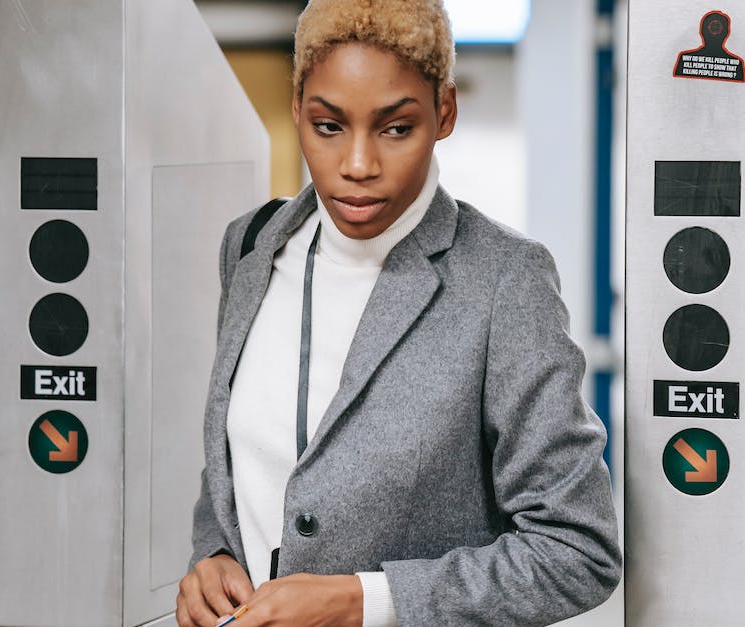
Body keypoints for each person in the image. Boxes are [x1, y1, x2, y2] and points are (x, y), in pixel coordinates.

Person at [175, 1, 621, 625]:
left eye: (394, 128)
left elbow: (579, 552)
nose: (358, 166)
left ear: (444, 112)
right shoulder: (250, 246)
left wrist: (366, 601)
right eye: (328, 126)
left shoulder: (503, 281)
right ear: (298, 104)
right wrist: (216, 552)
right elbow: (239, 466)